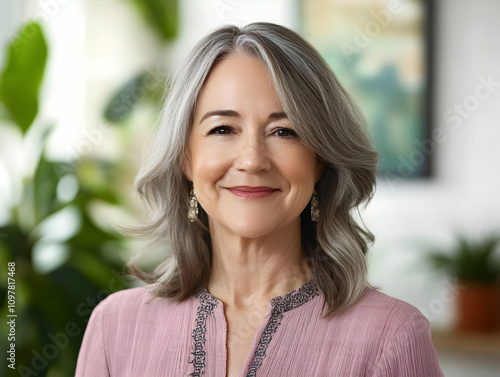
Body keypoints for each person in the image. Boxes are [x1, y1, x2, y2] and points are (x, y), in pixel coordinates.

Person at [75, 22, 443, 376]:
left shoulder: (392, 336)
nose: (252, 159)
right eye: (222, 129)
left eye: (284, 131)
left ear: (320, 161)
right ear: (185, 158)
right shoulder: (114, 327)